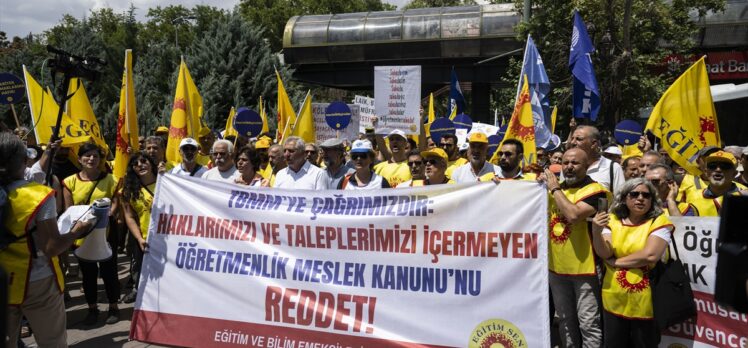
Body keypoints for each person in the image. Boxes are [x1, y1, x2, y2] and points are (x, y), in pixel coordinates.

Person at [1, 133, 95, 347]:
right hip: (37, 280)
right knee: (52, 341)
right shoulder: (39, 196)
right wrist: (76, 231)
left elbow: (34, 174)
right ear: (25, 160)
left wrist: (49, 151)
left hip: (4, 279)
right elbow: (52, 247)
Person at [591, 178, 674, 347]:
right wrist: (596, 231)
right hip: (613, 297)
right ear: (624, 198)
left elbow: (650, 255)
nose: (640, 198)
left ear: (652, 200)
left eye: (646, 195)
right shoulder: (612, 220)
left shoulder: (660, 221)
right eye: (634, 194)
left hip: (647, 299)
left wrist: (616, 262)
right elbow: (604, 252)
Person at [539, 148, 609, 348]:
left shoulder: (595, 191)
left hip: (585, 270)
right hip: (556, 268)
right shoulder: (557, 189)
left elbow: (573, 215)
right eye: (566, 162)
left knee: (588, 323)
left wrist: (553, 189)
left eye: (575, 163)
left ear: (587, 166)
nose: (569, 167)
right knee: (565, 321)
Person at [62, 143, 121, 325]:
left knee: (109, 272)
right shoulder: (69, 182)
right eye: (87, 156)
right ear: (79, 159)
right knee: (88, 274)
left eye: (95, 156)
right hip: (82, 235)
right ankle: (92, 309)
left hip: (106, 234)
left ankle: (113, 307)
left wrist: (109, 212)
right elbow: (69, 208)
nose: (91, 159)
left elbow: (115, 202)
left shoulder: (112, 179)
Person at [120, 153, 158, 304]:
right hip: (145, 238)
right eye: (135, 164)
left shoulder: (166, 182)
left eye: (144, 161)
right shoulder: (128, 190)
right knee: (146, 274)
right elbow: (129, 217)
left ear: (151, 163)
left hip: (169, 237)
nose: (140, 165)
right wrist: (139, 238)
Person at [685, 150, 747, 216]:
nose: (718, 169)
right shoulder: (692, 196)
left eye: (725, 166)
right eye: (712, 166)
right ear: (706, 172)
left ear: (734, 173)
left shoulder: (745, 196)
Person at [568, 125, 624, 193]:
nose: (572, 142)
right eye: (572, 138)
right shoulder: (568, 166)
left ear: (593, 144)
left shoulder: (613, 168)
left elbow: (620, 199)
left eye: (579, 139)